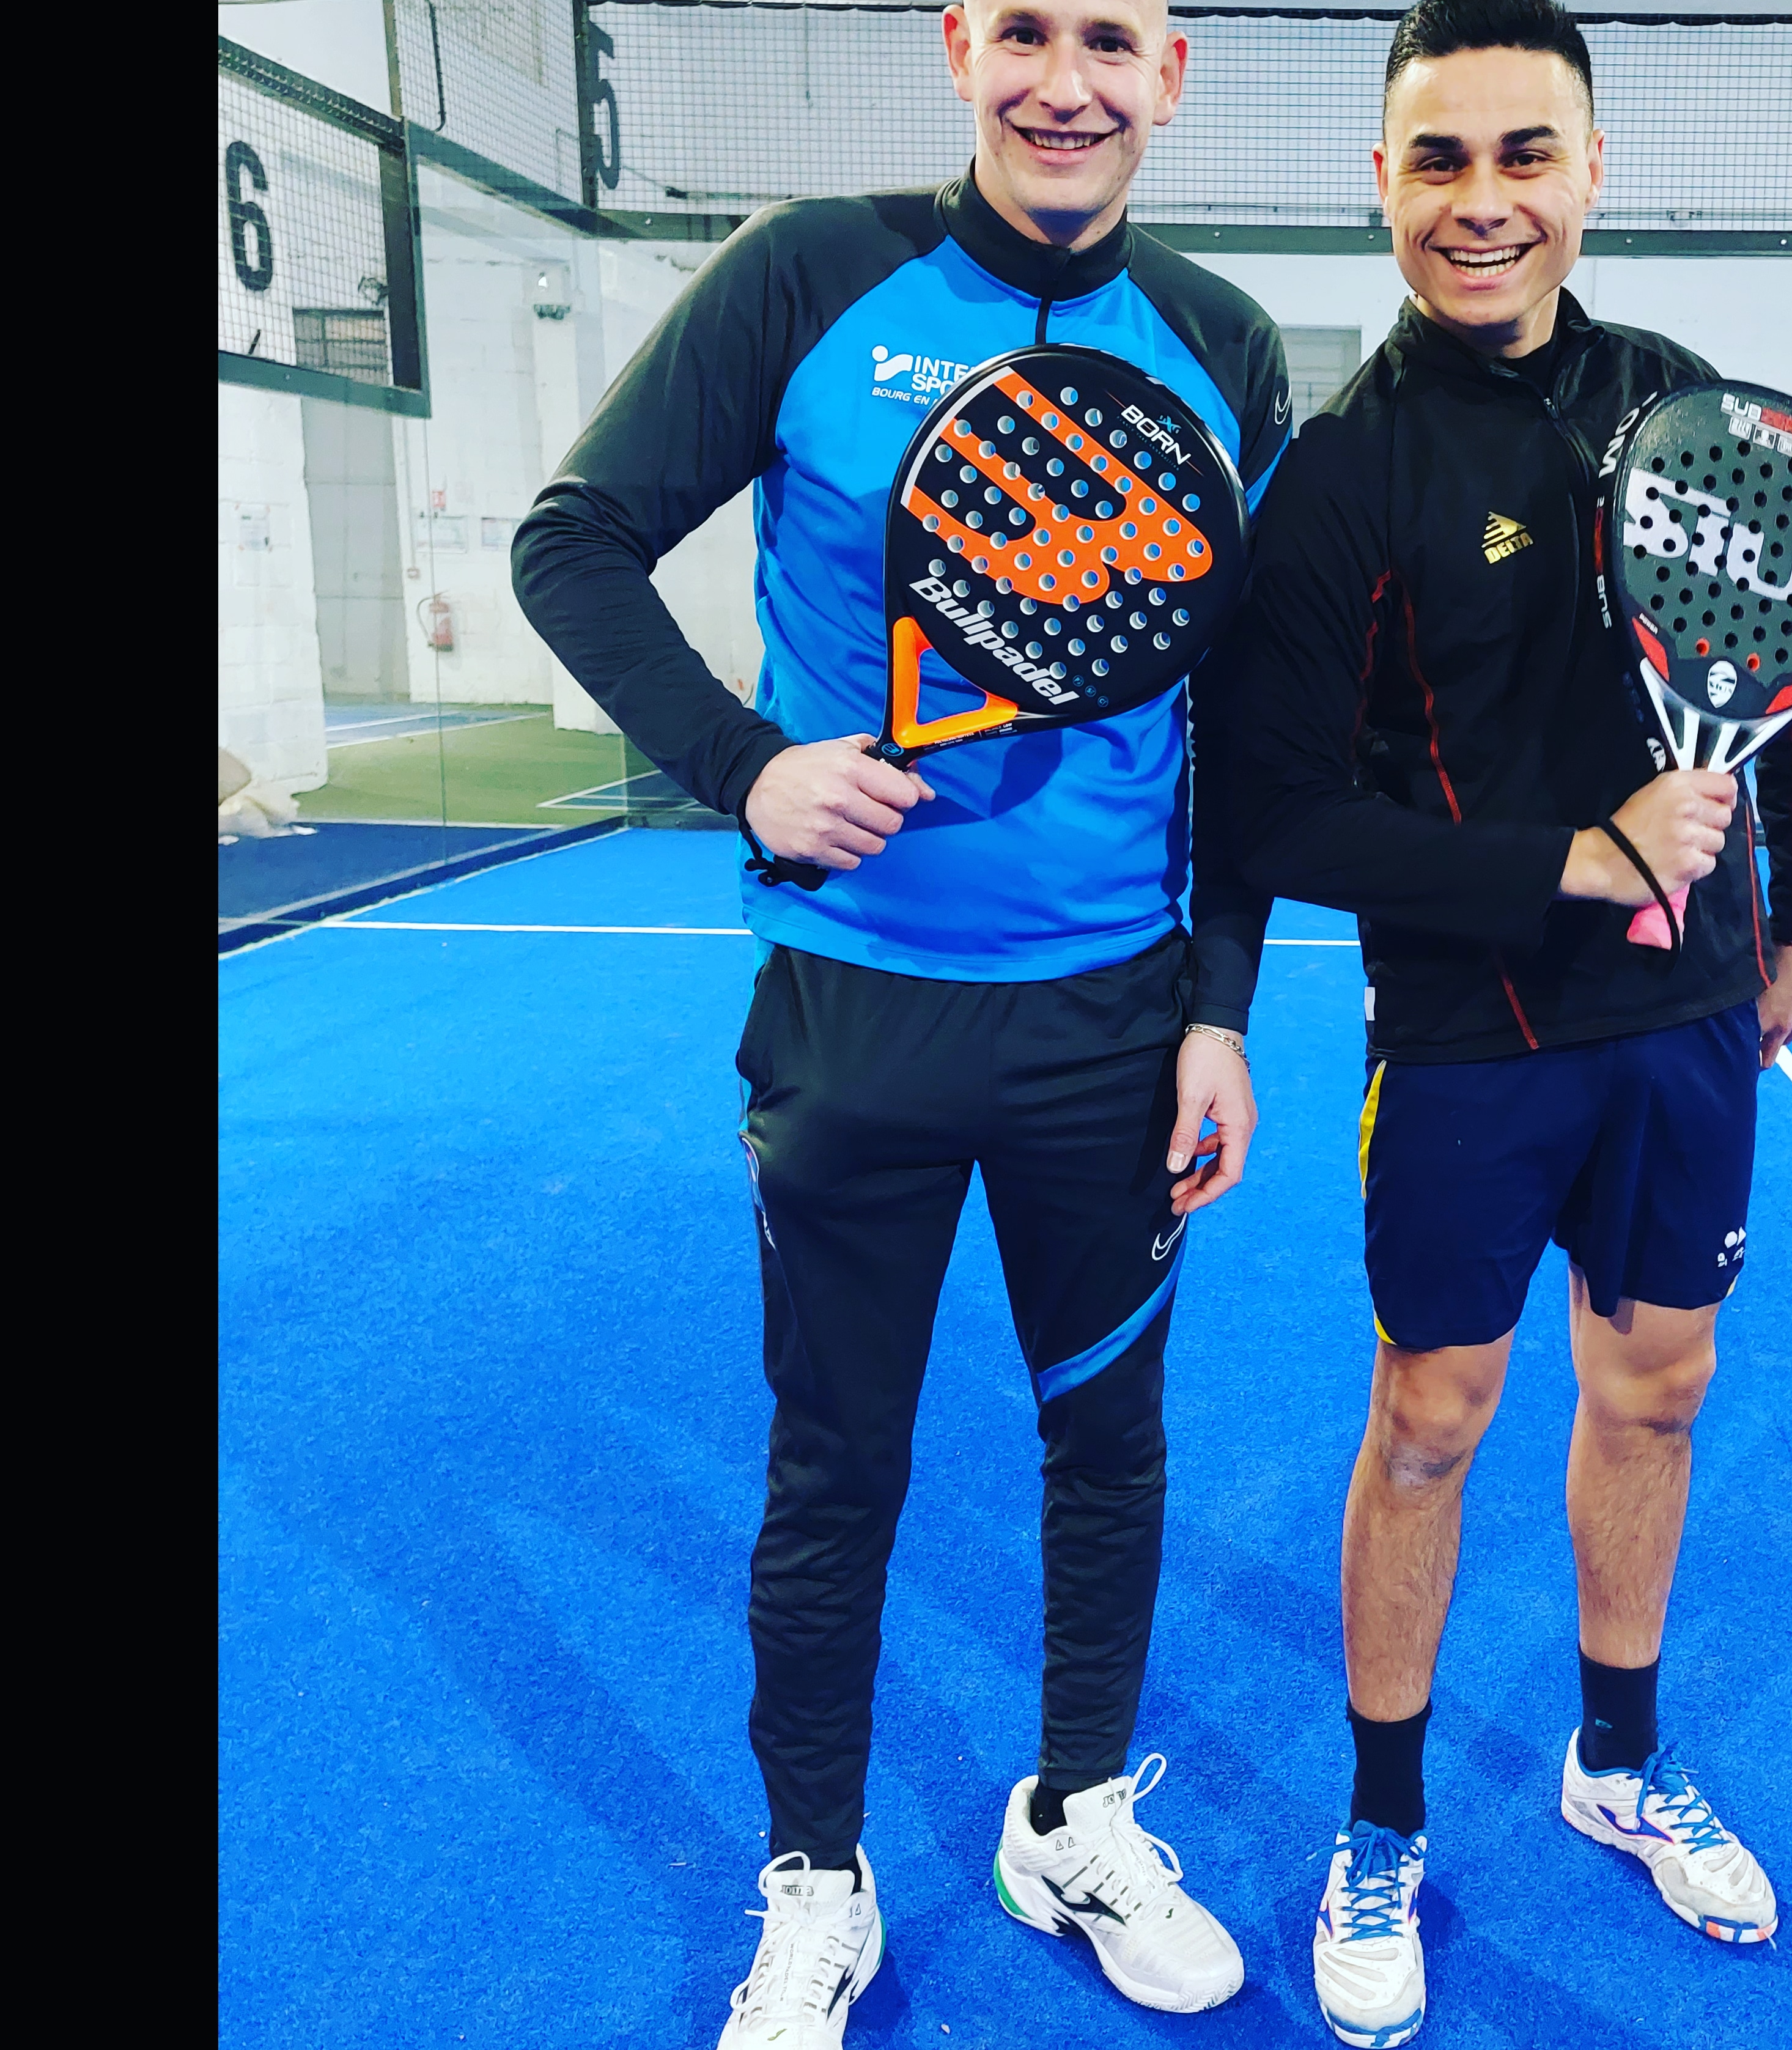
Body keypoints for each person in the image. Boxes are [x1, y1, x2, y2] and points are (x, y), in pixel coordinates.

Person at [513, 4, 1292, 2042]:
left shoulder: (1223, 345)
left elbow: (1244, 720)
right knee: (834, 1461)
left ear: (1174, 73)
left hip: (1112, 1025)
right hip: (852, 1015)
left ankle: (1074, 1816)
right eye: (1024, 29)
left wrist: (1218, 1006)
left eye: (1111, 40)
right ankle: (817, 1878)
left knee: (1105, 1443)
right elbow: (572, 540)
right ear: (959, 45)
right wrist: (741, 764)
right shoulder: (804, 275)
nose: (1064, 82)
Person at [1211, 1, 1792, 2041]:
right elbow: (1276, 811)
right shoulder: (1339, 474)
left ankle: (1617, 1762)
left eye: (1522, 155)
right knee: (1430, 1418)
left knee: (1656, 1387)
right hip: (1471, 1033)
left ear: (1588, 174)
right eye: (1438, 160)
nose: (1480, 202)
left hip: (1686, 1019)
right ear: (1380, 184)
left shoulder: (1680, 402)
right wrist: (1575, 859)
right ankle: (1381, 1821)